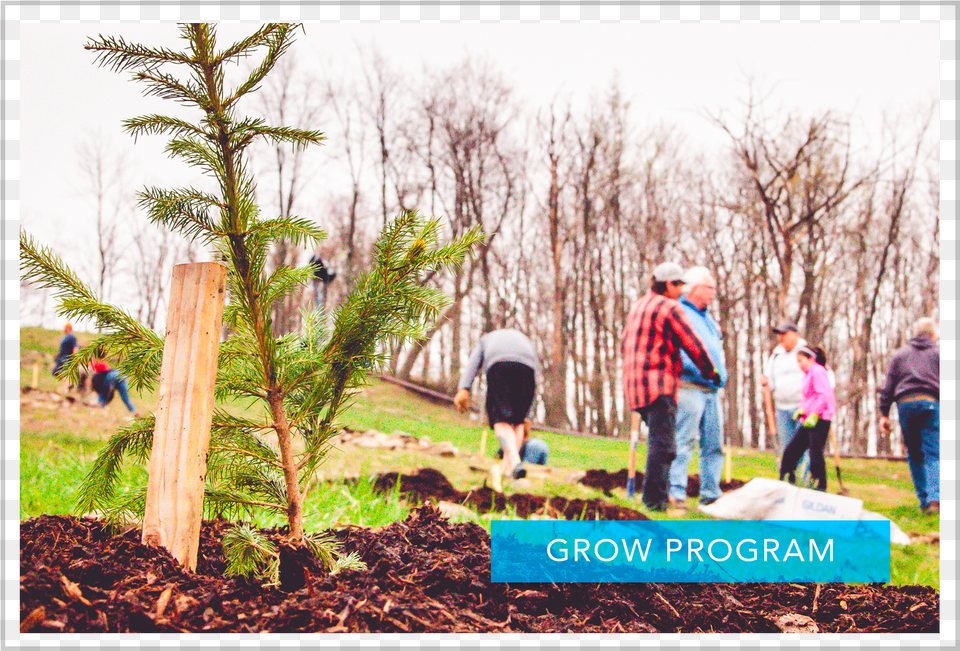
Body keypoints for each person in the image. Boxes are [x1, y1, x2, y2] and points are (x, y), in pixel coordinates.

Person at [621, 262, 720, 511]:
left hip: (636, 387)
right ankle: (656, 503)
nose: (681, 291)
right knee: (664, 446)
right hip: (659, 385)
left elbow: (625, 342)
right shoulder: (669, 307)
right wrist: (711, 372)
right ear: (668, 285)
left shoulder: (639, 305)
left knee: (660, 441)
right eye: (678, 285)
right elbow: (693, 343)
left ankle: (655, 498)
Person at [668, 267, 727, 507]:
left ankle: (711, 494)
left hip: (711, 390)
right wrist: (697, 369)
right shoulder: (679, 311)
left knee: (714, 445)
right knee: (684, 441)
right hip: (688, 386)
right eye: (710, 288)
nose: (714, 293)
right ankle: (676, 491)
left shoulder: (709, 319)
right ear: (696, 289)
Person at [454, 329, 539, 480]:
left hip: (499, 365)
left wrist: (464, 387)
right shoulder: (525, 340)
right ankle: (509, 468)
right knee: (518, 422)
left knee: (500, 420)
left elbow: (474, 362)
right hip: (527, 369)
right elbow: (536, 375)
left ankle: (514, 462)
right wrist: (528, 415)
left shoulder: (485, 339)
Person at [878, 317, 940, 515]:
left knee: (914, 453)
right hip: (930, 402)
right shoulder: (939, 354)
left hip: (905, 405)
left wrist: (884, 414)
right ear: (932, 334)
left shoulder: (900, 355)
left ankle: (923, 500)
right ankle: (934, 499)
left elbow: (888, 387)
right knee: (933, 452)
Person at [761, 320, 811, 483]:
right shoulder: (776, 356)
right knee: (787, 447)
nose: (781, 338)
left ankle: (806, 481)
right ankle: (790, 480)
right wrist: (766, 382)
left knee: (803, 446)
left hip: (802, 407)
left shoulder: (806, 353)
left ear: (795, 334)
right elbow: (770, 380)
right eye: (779, 335)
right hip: (782, 408)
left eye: (784, 334)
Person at [779, 345, 835, 491]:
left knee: (815, 453)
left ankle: (819, 485)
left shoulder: (818, 371)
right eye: (797, 361)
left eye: (801, 360)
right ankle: (787, 476)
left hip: (820, 419)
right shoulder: (808, 374)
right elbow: (808, 397)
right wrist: (801, 410)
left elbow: (824, 395)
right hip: (808, 419)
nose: (799, 364)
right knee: (792, 450)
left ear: (811, 359)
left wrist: (815, 414)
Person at [90, 351, 138, 416]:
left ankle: (100, 407)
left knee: (103, 392)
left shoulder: (96, 363)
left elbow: (96, 377)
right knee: (125, 398)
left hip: (111, 375)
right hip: (121, 374)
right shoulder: (104, 364)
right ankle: (134, 411)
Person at [52, 323, 83, 390]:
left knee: (65, 373)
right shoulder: (65, 337)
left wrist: (75, 358)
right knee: (55, 372)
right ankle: (69, 384)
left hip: (67, 359)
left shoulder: (72, 337)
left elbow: (75, 348)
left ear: (69, 328)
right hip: (60, 359)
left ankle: (67, 388)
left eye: (66, 327)